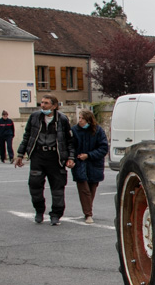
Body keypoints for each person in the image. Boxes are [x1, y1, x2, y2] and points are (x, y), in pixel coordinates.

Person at [15, 94, 75, 225]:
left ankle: (56, 215)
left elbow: (70, 141)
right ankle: (39, 211)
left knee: (57, 188)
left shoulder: (62, 120)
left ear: (54, 106)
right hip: (38, 156)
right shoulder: (35, 117)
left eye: (46, 103)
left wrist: (70, 157)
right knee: (35, 186)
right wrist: (20, 154)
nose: (43, 105)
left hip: (56, 158)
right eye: (41, 103)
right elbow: (27, 136)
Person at [70, 109, 109, 224]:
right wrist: (71, 159)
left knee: (92, 189)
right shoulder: (74, 130)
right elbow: (71, 146)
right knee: (84, 190)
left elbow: (103, 148)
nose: (80, 120)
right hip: (79, 164)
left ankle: (88, 210)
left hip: (94, 164)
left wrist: (89, 155)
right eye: (79, 118)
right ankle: (88, 214)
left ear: (88, 120)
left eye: (82, 118)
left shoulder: (98, 131)